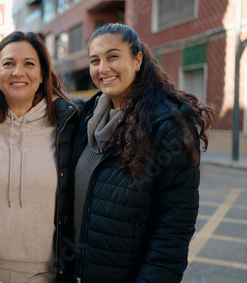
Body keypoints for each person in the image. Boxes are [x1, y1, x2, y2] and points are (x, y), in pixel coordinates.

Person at [72, 23, 214, 283]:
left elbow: (173, 231)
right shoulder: (86, 118)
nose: (103, 68)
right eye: (95, 60)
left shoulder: (167, 126)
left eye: (113, 56)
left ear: (137, 60)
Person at [0, 31, 79, 283]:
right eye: (8, 63)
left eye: (29, 64)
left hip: (48, 274)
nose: (18, 72)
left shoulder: (70, 125)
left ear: (42, 73)